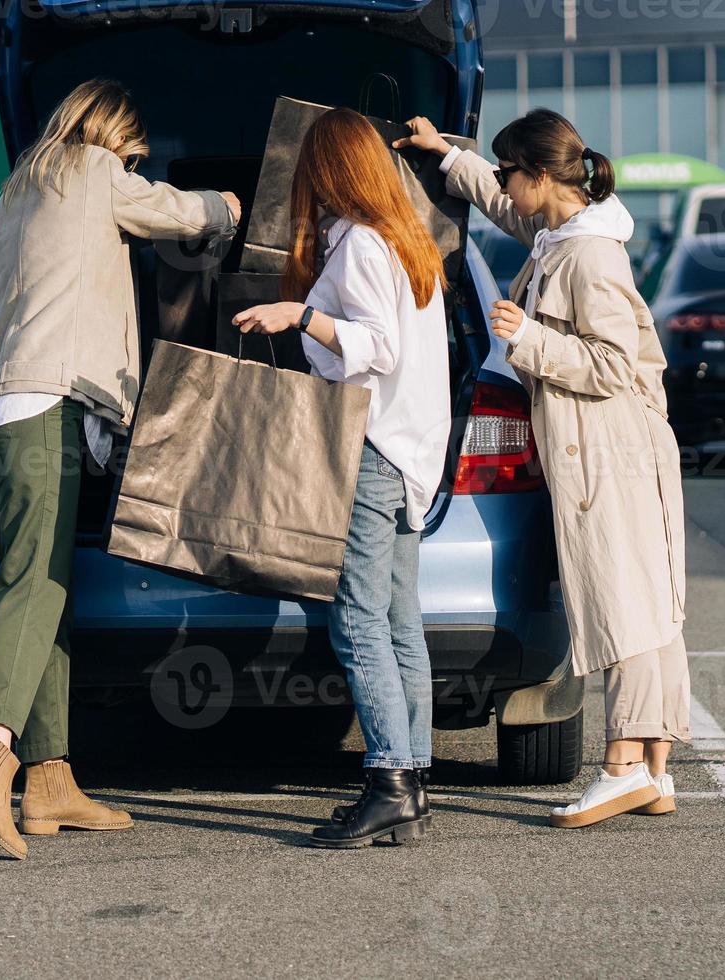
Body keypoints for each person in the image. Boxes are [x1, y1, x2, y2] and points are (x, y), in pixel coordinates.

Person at [0, 78, 242, 860]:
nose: (133, 164)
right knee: (32, 582)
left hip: (6, 410)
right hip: (48, 408)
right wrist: (231, 207)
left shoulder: (20, 192)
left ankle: (51, 781)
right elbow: (173, 211)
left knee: (46, 588)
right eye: (132, 152)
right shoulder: (91, 170)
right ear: (114, 135)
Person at [395, 108, 689, 829]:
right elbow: (504, 209)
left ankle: (622, 767)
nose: (501, 185)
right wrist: (447, 155)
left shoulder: (592, 258)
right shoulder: (564, 230)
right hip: (602, 443)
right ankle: (652, 767)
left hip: (612, 446)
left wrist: (528, 339)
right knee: (644, 605)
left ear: (543, 176)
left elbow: (616, 366)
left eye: (508, 171)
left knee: (626, 607)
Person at [233, 107, 450, 849]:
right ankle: (415, 782)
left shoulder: (360, 244)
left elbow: (375, 349)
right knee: (398, 620)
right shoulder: (409, 241)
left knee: (355, 621)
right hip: (413, 450)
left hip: (373, 448)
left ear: (330, 171)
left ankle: (390, 781)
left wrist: (299, 314)